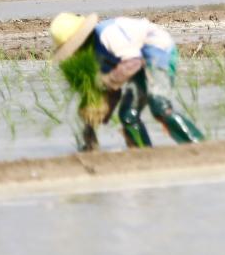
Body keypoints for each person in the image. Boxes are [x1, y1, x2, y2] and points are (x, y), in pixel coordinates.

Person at [50, 12, 204, 151]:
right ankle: (144, 154)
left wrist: (105, 81)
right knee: (128, 115)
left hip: (156, 50)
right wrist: (94, 120)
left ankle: (199, 145)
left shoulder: (107, 34)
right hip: (137, 62)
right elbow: (113, 91)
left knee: (159, 104)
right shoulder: (95, 55)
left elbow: (133, 63)